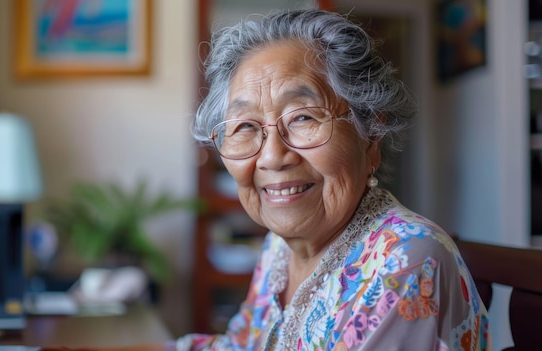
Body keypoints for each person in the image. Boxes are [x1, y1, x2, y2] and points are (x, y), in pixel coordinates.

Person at [131, 8, 491, 351]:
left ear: (371, 138)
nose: (272, 156)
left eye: (303, 117)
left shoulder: (404, 260)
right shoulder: (279, 248)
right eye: (244, 126)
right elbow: (241, 346)